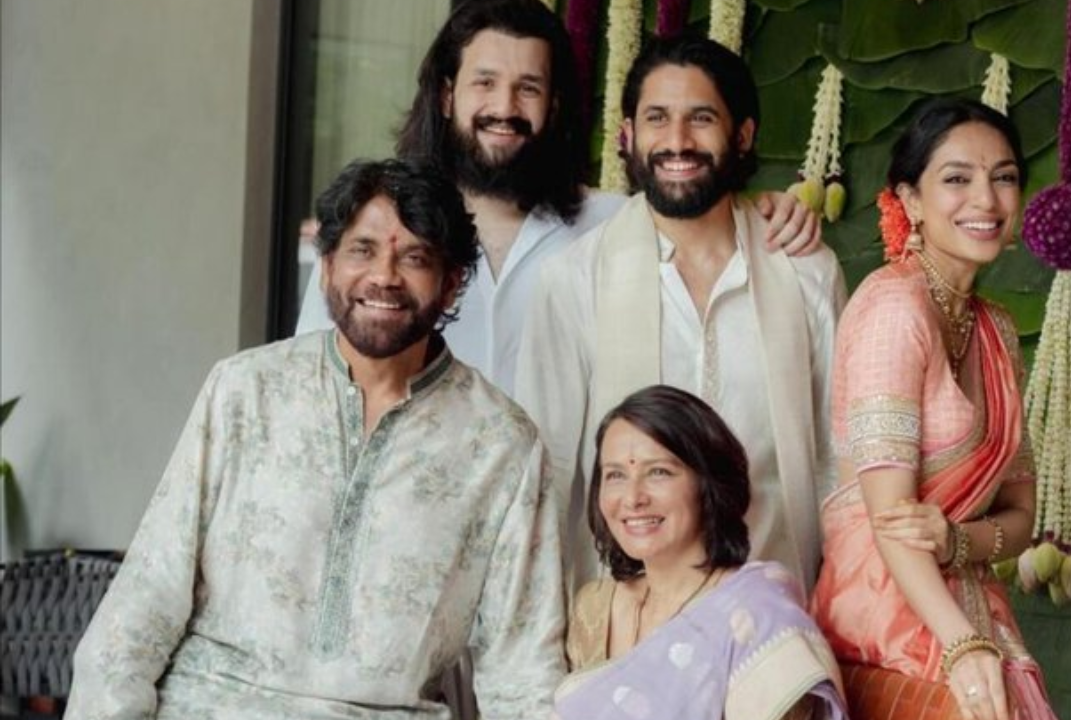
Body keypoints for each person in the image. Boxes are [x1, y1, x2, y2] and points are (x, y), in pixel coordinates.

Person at [66, 159, 565, 719]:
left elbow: (522, 668)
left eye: (415, 258)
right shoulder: (246, 391)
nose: (384, 276)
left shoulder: (501, 444)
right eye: (361, 250)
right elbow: (144, 601)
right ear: (327, 268)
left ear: (451, 285)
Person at [294, 0, 823, 396]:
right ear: (448, 96)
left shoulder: (614, 226)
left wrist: (769, 211)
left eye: (528, 87)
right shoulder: (372, 240)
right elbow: (310, 378)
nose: (505, 107)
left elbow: (705, 222)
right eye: (485, 83)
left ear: (553, 105)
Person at [516, 33, 845, 591]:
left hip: (779, 612)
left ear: (743, 135)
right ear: (627, 135)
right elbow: (546, 474)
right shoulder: (573, 279)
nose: (677, 141)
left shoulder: (805, 272)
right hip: (626, 619)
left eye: (701, 118)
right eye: (657, 118)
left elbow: (837, 460)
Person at [809, 98, 1058, 720]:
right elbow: (891, 519)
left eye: (1003, 177)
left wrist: (956, 540)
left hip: (969, 606)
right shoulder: (892, 310)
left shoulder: (996, 329)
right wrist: (964, 646)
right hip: (889, 618)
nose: (986, 199)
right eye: (956, 178)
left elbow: (1022, 514)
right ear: (911, 200)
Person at [555, 385, 848, 720]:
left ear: (709, 484)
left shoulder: (756, 615)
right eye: (616, 475)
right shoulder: (595, 609)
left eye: (658, 472)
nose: (633, 498)